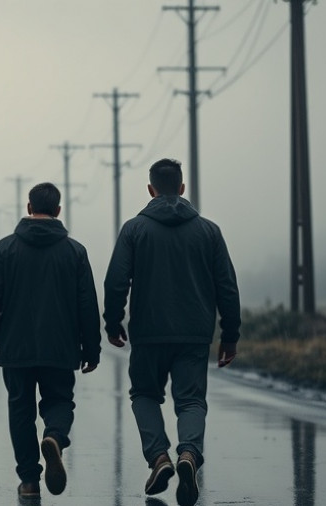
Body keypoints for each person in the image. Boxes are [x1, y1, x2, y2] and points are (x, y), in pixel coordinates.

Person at [103, 158, 241, 506]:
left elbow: (116, 280)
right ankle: (189, 454)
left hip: (149, 332)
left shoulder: (135, 229)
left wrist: (113, 321)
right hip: (194, 333)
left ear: (151, 190)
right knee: (191, 400)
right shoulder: (209, 231)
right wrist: (230, 334)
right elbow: (227, 286)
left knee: (145, 395)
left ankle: (159, 457)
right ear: (182, 188)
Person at [0, 182, 102, 499]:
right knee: (59, 401)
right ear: (58, 210)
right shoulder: (75, 252)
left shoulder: (5, 249)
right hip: (61, 347)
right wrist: (91, 349)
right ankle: (55, 439)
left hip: (16, 348)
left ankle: (30, 482)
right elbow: (87, 304)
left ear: (29, 207)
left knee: (20, 410)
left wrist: (0, 336)